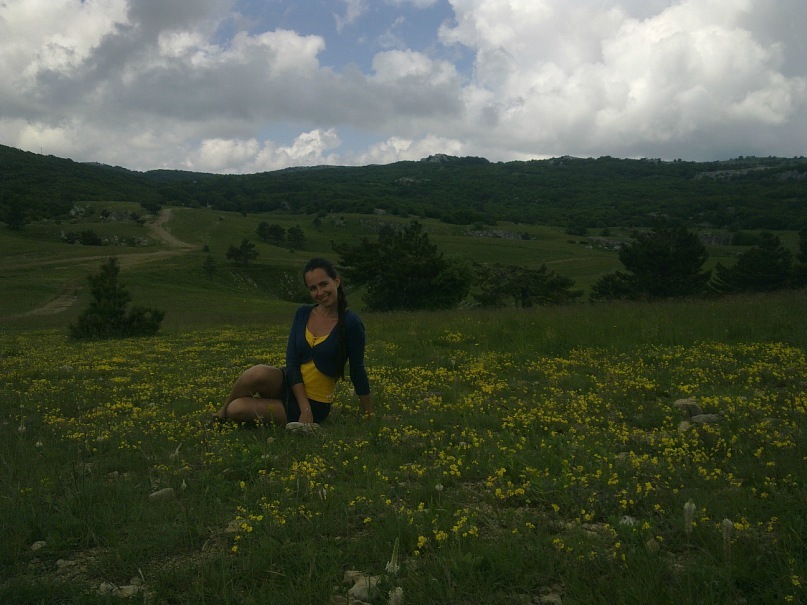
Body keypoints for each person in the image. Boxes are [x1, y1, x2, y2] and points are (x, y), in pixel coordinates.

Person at [214, 257, 373, 427]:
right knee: (256, 373)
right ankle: (220, 416)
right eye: (313, 288)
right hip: (289, 384)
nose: (319, 292)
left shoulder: (351, 323)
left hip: (315, 403)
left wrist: (369, 414)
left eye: (324, 284)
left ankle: (259, 409)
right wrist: (304, 407)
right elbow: (292, 362)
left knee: (236, 409)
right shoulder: (303, 313)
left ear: (337, 281)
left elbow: (357, 371)